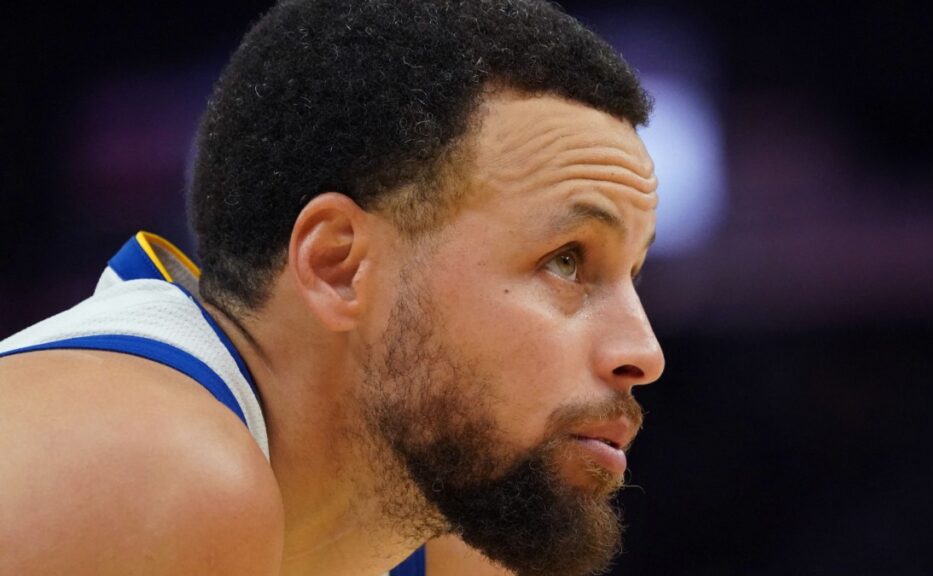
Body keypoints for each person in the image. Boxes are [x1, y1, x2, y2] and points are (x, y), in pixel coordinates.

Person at [0, 0, 664, 574]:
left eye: (632, 275)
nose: (644, 353)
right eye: (566, 261)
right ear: (338, 266)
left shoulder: (449, 548)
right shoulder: (147, 469)